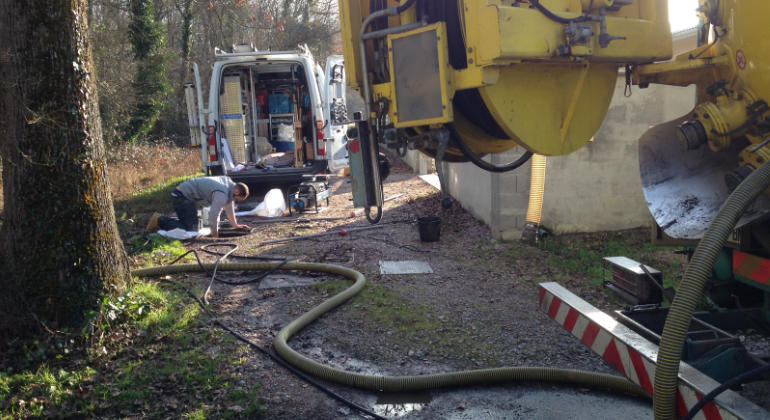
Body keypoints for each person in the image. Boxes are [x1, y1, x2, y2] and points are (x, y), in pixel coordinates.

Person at [146, 176, 250, 238]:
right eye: (237, 199)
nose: (235, 201)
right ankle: (160, 219)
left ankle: (175, 219)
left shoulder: (230, 186)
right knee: (188, 231)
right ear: (236, 192)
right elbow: (214, 215)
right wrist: (215, 236)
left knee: (198, 226)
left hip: (191, 198)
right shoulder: (222, 193)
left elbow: (229, 209)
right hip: (181, 196)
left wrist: (235, 225)